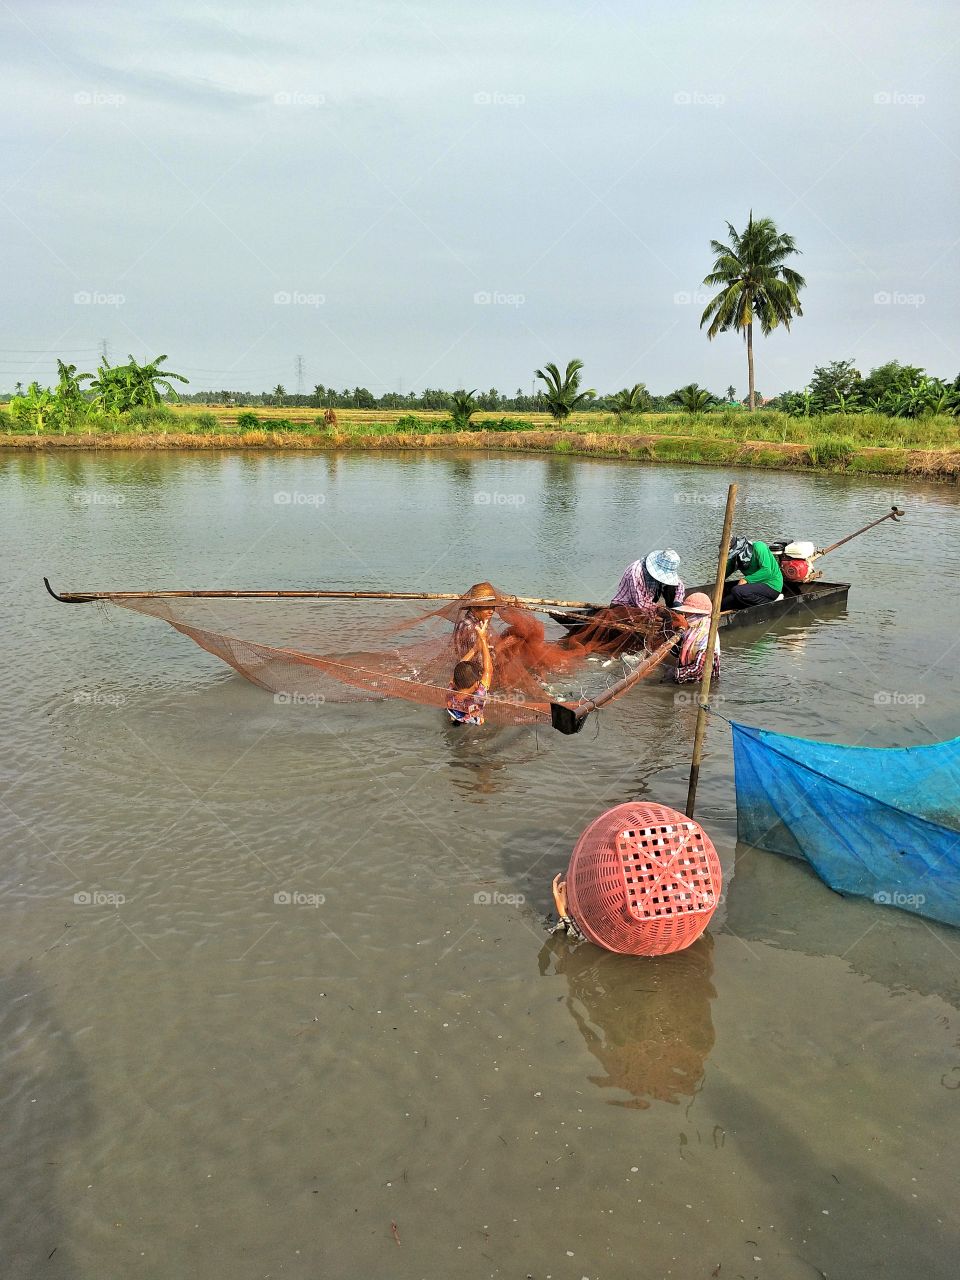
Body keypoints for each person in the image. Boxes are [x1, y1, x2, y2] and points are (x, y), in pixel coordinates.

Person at [446, 623, 494, 726]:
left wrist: (475, 649)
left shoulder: (450, 690)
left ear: (455, 681)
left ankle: (456, 719)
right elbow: (488, 670)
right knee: (480, 718)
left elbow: (459, 667)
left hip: (455, 715)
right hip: (475, 724)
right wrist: (483, 640)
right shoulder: (479, 695)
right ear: (476, 684)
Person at [611, 549, 686, 609]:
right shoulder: (635, 573)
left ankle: (673, 608)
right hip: (628, 605)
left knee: (671, 587)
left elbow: (679, 585)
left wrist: (677, 602)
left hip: (650, 598)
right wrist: (661, 609)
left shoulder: (667, 566)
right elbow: (640, 603)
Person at [721, 536, 783, 609]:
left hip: (772, 585)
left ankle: (773, 603)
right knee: (724, 604)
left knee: (737, 590)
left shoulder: (759, 547)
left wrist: (746, 579)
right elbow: (722, 576)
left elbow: (767, 571)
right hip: (754, 586)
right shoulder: (735, 560)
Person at [671, 592, 720, 684]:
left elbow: (698, 669)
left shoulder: (707, 634)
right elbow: (678, 652)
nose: (684, 615)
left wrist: (675, 673)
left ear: (697, 614)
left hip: (701, 681)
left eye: (687, 613)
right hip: (687, 675)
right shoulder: (692, 629)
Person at [453, 580, 497, 661]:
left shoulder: (479, 622)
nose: (491, 611)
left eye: (493, 607)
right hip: (470, 668)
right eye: (487, 607)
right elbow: (478, 660)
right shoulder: (471, 626)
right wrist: (500, 648)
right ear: (474, 608)